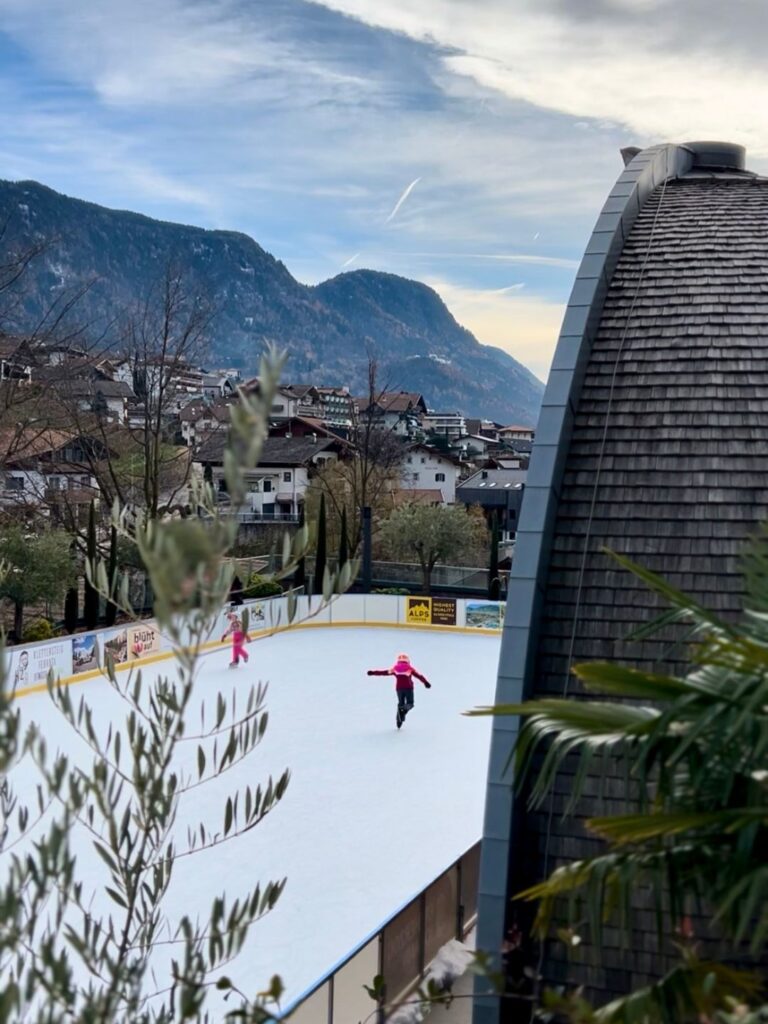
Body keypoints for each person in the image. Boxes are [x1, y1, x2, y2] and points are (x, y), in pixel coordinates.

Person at [367, 653, 431, 729]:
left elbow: (383, 672)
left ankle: (399, 721)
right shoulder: (409, 668)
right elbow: (419, 676)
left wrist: (373, 672)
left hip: (399, 689)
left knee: (401, 704)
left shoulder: (395, 669)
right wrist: (425, 682)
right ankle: (402, 712)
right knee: (410, 704)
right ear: (407, 661)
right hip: (408, 688)